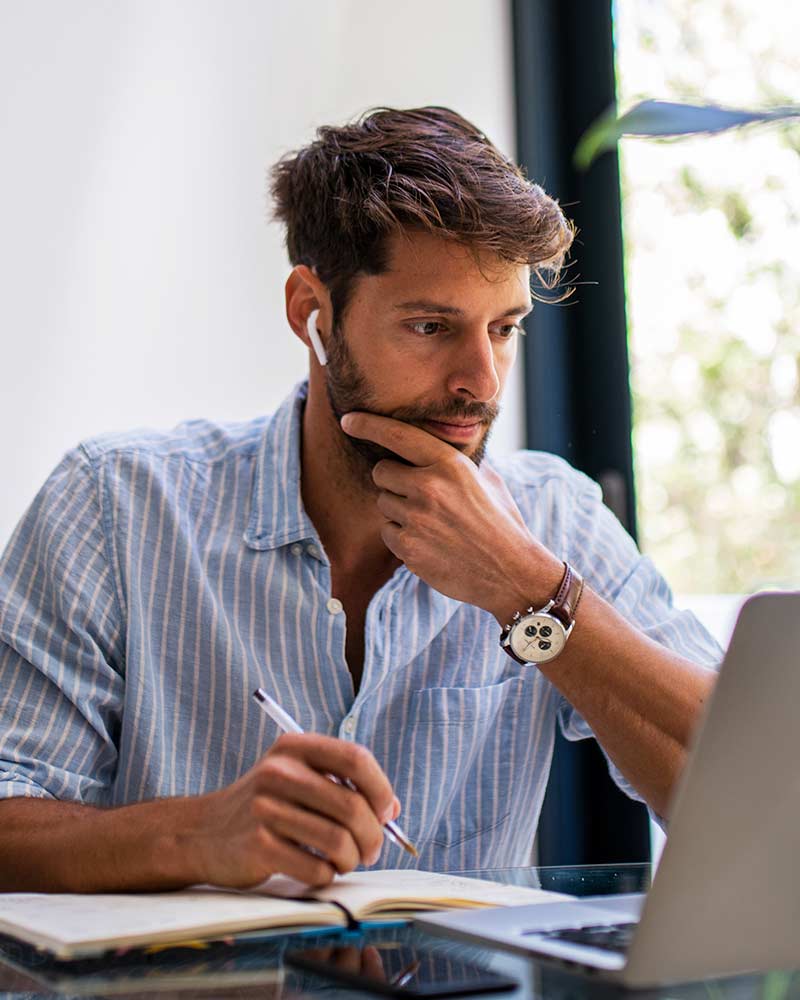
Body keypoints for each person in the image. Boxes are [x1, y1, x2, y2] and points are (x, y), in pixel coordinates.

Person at [0, 106, 720, 894]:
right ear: (311, 312)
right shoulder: (114, 506)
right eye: (430, 326)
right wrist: (199, 833)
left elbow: (745, 792)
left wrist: (533, 595)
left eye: (505, 329)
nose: (480, 382)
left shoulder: (555, 519)